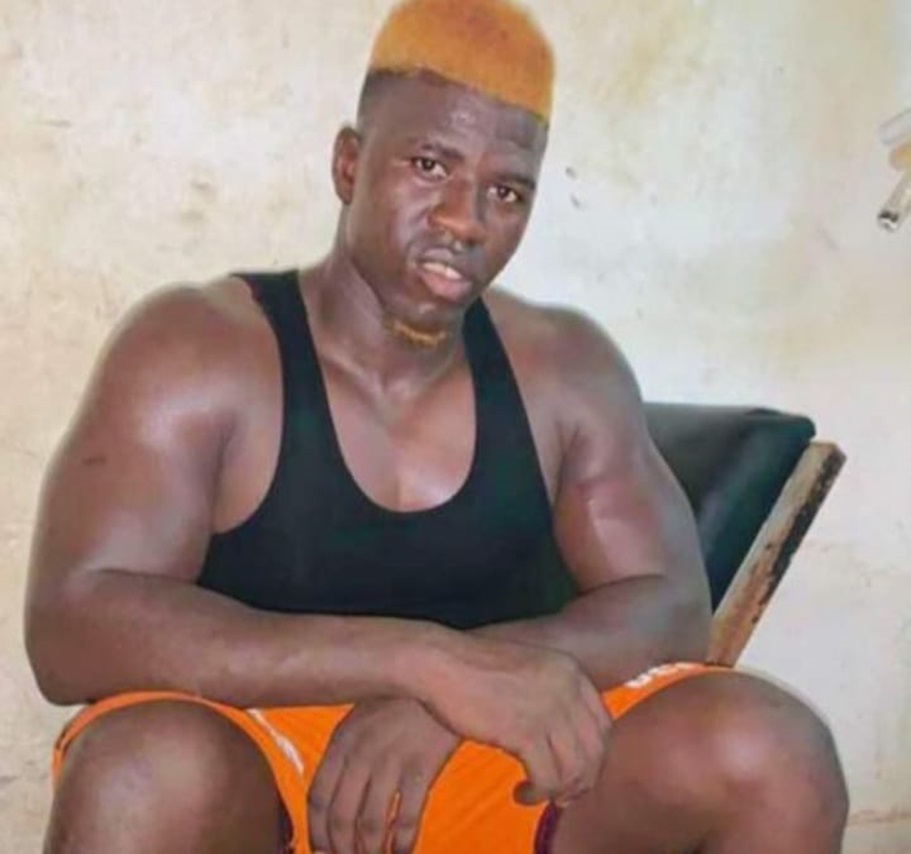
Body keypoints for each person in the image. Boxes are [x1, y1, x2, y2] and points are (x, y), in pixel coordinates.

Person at [25, 0, 848, 852]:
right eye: (429, 165)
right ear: (349, 164)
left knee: (773, 752)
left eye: (505, 191)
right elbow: (74, 625)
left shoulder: (562, 369)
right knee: (139, 772)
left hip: (490, 761)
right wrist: (425, 664)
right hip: (259, 753)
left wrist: (464, 696)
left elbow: (669, 605)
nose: (464, 219)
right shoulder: (201, 349)